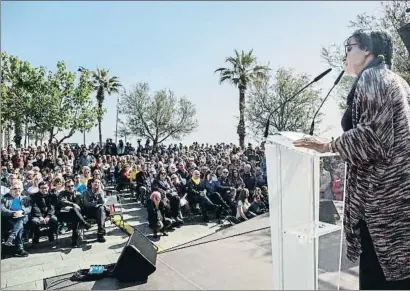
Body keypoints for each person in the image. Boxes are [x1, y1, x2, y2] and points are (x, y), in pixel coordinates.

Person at [293, 29, 410, 290]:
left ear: (367, 50)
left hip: (381, 205)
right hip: (397, 202)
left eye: (349, 47)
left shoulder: (374, 78)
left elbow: (373, 137)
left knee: (381, 279)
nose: (345, 54)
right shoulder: (397, 81)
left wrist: (328, 145)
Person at [1, 181, 31, 257]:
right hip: (9, 219)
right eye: (15, 188)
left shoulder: (25, 198)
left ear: (21, 189)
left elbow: (29, 208)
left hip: (22, 217)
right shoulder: (5, 198)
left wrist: (22, 211)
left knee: (20, 220)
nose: (17, 190)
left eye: (19, 188)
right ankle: (19, 249)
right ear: (11, 190)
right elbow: (2, 209)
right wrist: (12, 213)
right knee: (19, 225)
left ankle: (12, 239)